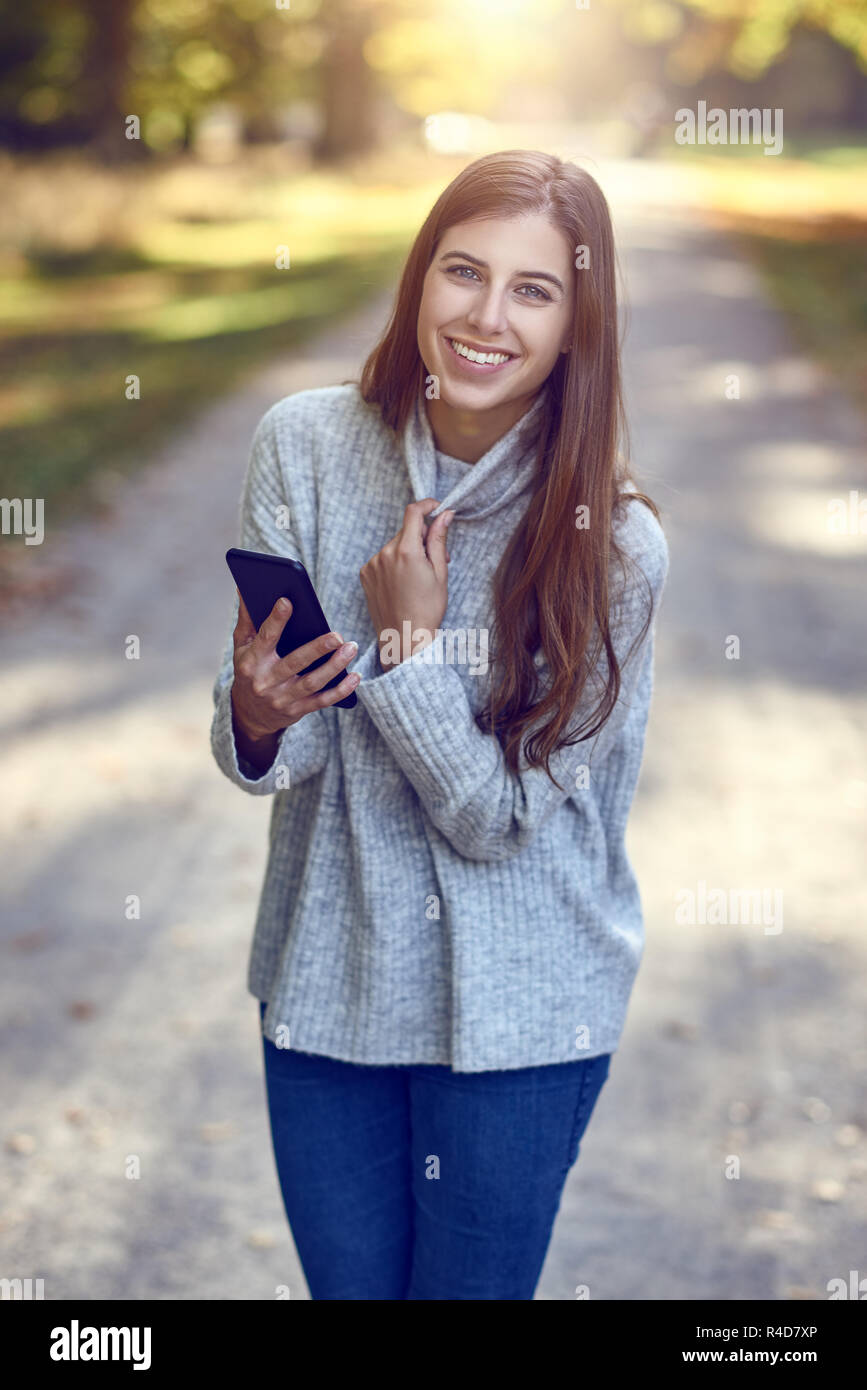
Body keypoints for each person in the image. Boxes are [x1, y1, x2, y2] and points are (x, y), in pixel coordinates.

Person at [210, 149, 669, 1300]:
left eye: (534, 289)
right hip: (329, 982)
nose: (485, 316)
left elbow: (498, 824)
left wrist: (409, 651)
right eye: (463, 272)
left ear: (580, 321)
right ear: (420, 279)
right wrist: (256, 718)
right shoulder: (307, 446)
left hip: (520, 1018)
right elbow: (283, 747)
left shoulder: (612, 548)